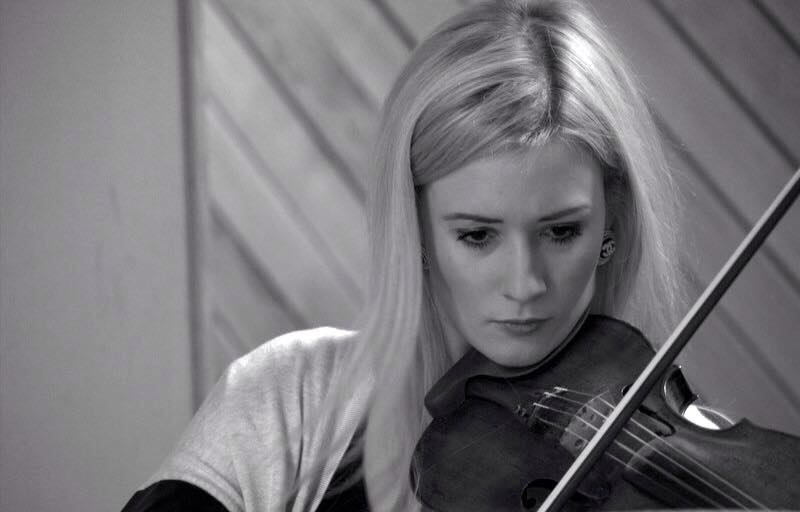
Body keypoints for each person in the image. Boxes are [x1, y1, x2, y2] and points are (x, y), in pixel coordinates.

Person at [122, 0, 690, 510]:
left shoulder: (667, 457)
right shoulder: (293, 396)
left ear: (612, 222)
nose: (525, 283)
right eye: (477, 236)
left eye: (561, 232)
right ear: (414, 224)